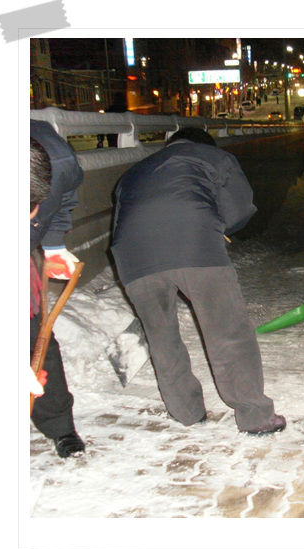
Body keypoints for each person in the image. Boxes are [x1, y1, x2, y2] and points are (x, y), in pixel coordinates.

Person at [110, 127, 285, 434]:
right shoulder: (215, 156)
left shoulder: (133, 172)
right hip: (192, 242)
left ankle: (186, 413)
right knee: (227, 330)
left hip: (132, 255)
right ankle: (255, 416)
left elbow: (120, 220)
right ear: (205, 143)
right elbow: (240, 208)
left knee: (161, 337)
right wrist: (216, 225)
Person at [30, 121, 86, 458]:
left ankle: (60, 426)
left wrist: (52, 243)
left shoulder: (60, 163)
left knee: (38, 338)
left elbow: (64, 197)